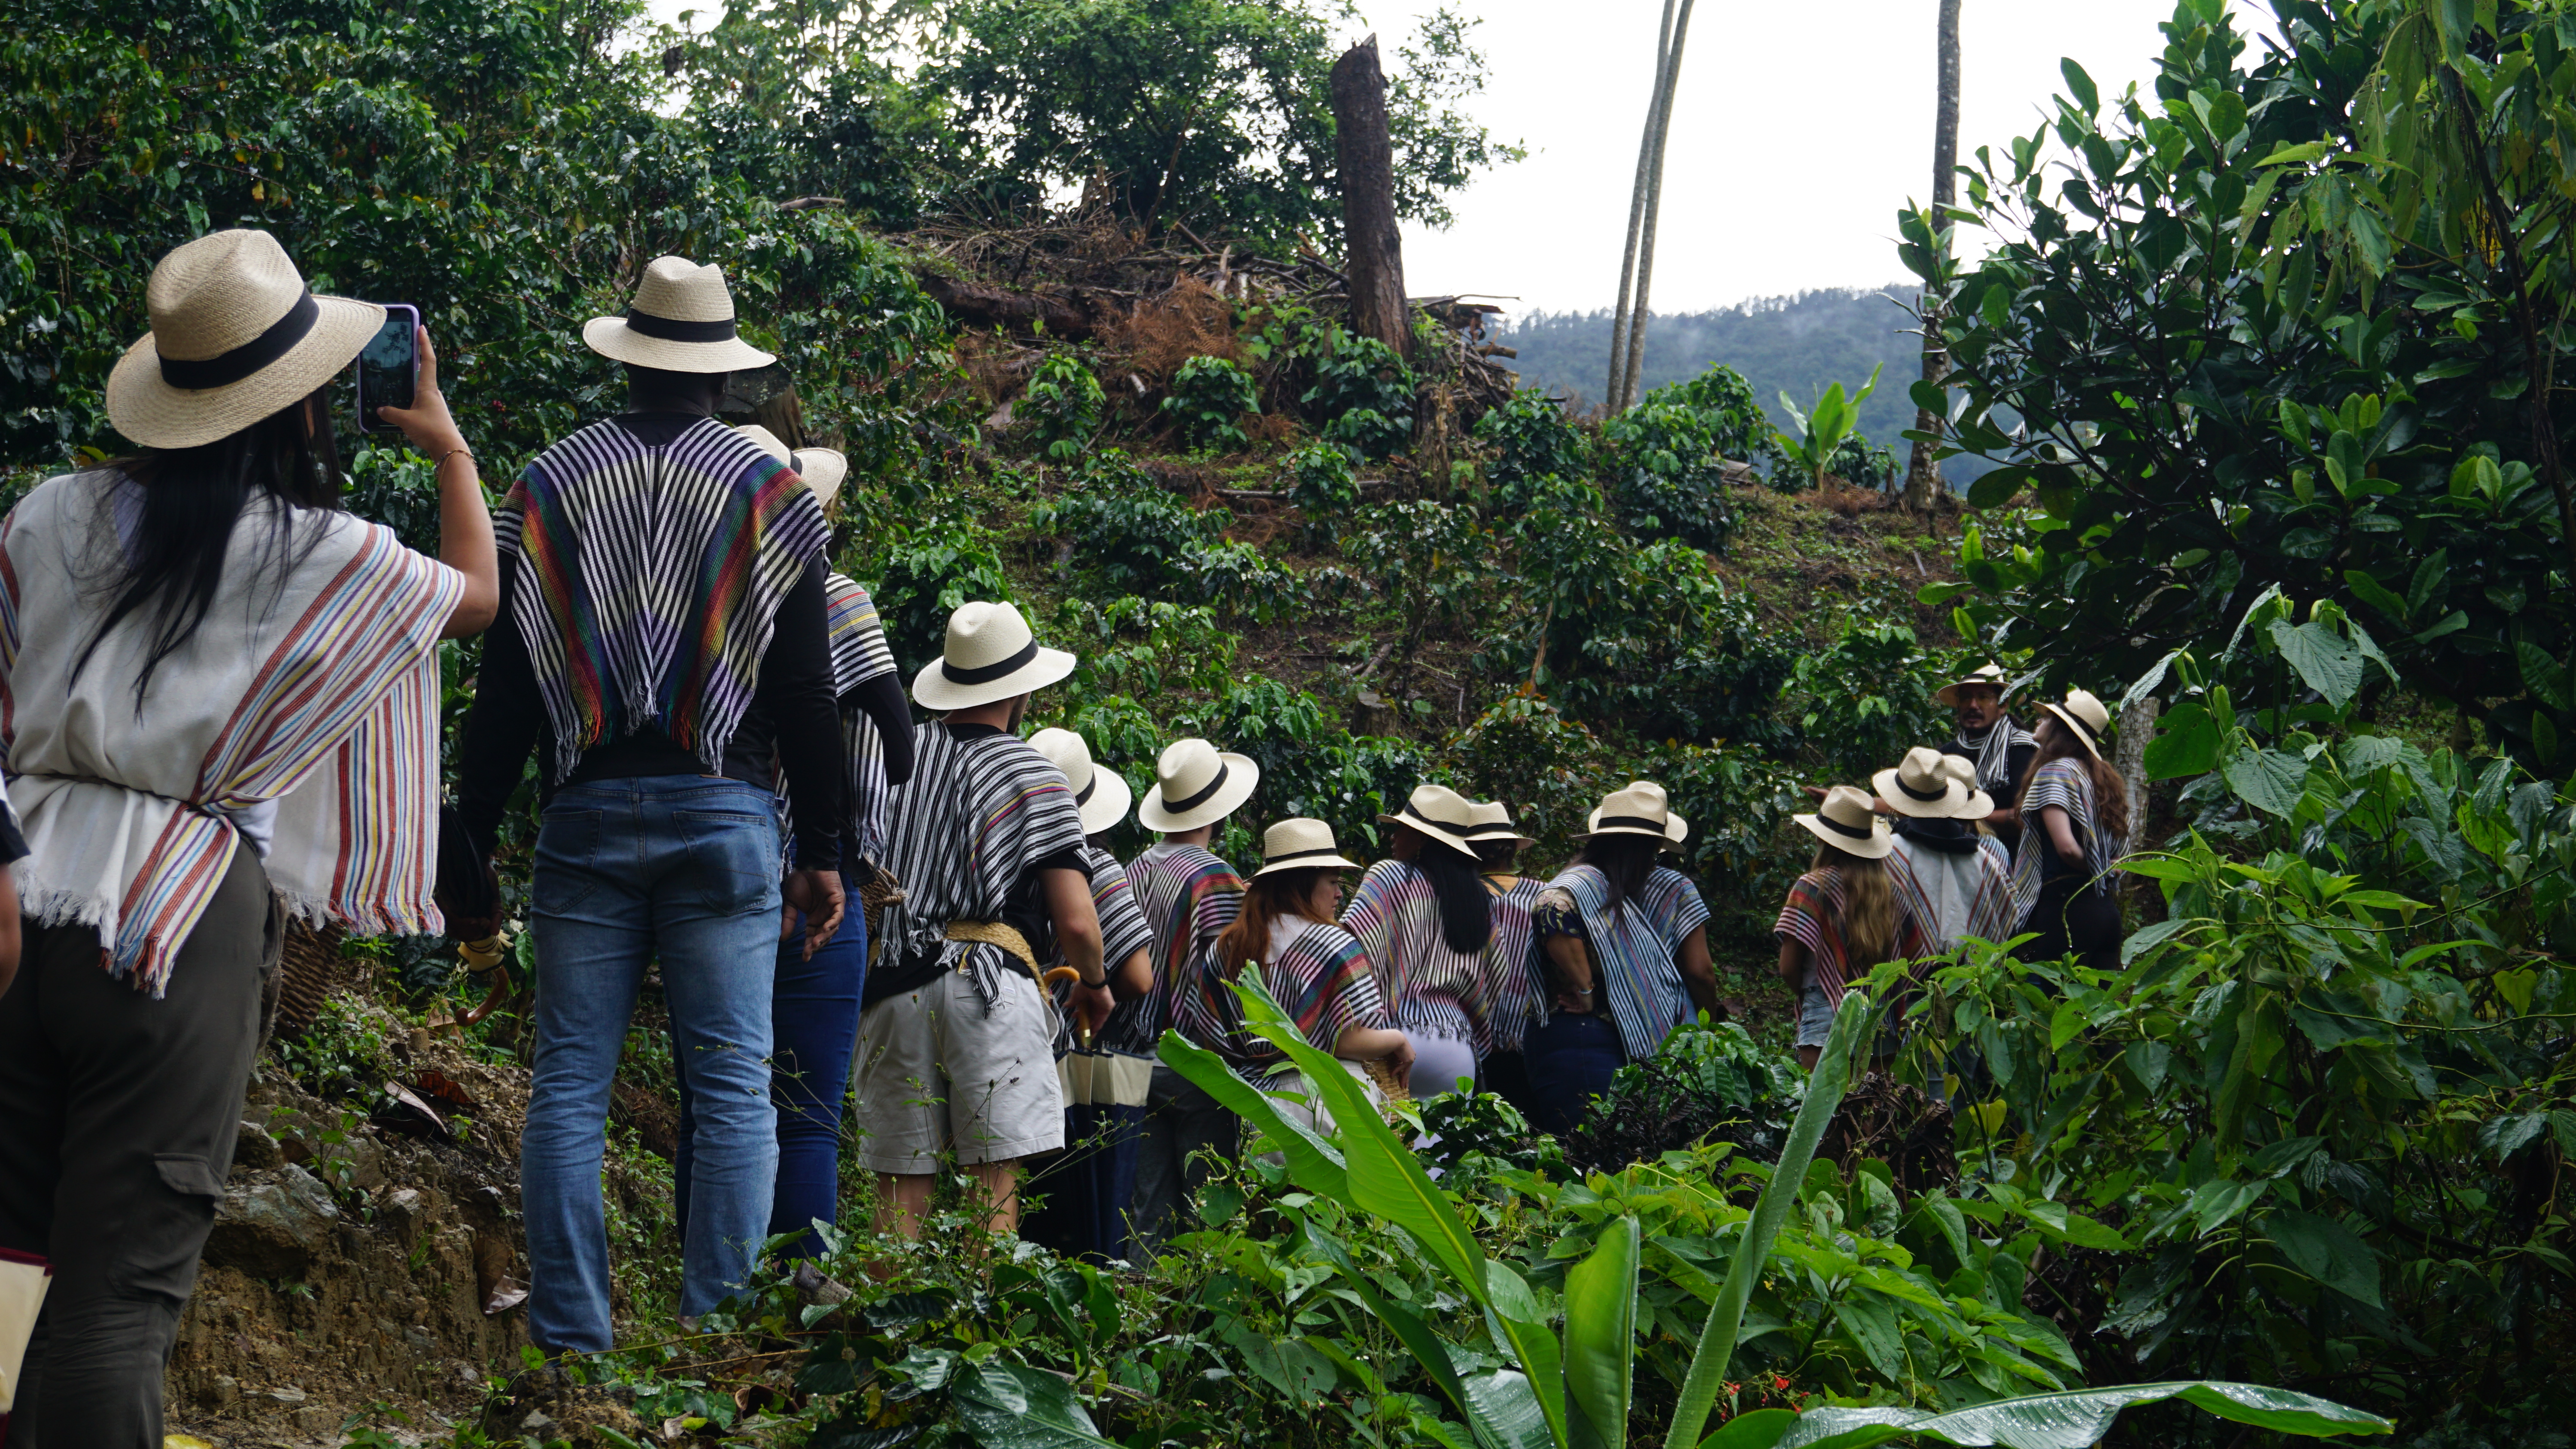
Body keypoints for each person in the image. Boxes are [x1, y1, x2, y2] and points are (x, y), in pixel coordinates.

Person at [0, 229, 498, 1444]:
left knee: (11, 1258)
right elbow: (475, 596)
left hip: (18, 880)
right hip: (175, 916)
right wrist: (448, 445)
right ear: (306, 405)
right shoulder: (321, 554)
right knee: (124, 1286)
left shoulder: (50, 513)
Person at [452, 255, 847, 1355]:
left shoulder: (549, 483)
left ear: (625, 361)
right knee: (732, 1086)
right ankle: (714, 1340)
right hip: (723, 810)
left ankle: (574, 1341)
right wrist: (826, 847)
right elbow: (808, 694)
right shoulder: (770, 489)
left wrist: (472, 829)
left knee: (570, 1080)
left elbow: (513, 687)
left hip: (584, 809)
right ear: (721, 377)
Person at [668, 428, 918, 1278]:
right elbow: (898, 735)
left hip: (704, 866)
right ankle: (796, 1305)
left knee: (709, 1106)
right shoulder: (836, 596)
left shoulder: (680, 602)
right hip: (815, 877)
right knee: (806, 1111)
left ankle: (705, 1304)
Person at [855, 602, 1105, 1238]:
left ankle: (884, 1329)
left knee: (899, 1193)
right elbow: (1076, 923)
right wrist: (1096, 987)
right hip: (986, 989)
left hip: (892, 986)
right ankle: (975, 1333)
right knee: (991, 1194)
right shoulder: (1034, 774)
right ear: (1021, 689)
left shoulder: (894, 763)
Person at [1105, 737, 1258, 1256]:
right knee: (1208, 1209)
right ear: (1219, 812)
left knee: (1147, 1213)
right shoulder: (1212, 877)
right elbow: (1224, 985)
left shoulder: (1135, 868)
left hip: (1132, 1060)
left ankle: (1142, 1324)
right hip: (1191, 1060)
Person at [1017, 727, 1159, 1260]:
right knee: (1083, 1221)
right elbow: (1140, 977)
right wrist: (1090, 990)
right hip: (1072, 1061)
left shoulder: (1004, 857)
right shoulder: (1096, 867)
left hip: (1001, 1040)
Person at [1177, 818, 1411, 1136]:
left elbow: (1212, 1040)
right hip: (1329, 1104)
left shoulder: (1226, 948)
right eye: (1332, 882)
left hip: (1255, 1109)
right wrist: (1399, 1040)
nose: (1339, 895)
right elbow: (1348, 1040)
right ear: (1302, 884)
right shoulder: (1334, 943)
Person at [1523, 784, 1703, 1134]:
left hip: (1596, 1043)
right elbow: (1550, 907)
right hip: (1580, 1041)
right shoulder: (1585, 883)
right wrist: (1586, 989)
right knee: (1590, 1158)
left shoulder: (1612, 884)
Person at [1340, 785, 1495, 1100]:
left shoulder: (1390, 876)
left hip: (1395, 1041)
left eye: (1400, 829)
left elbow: (1348, 950)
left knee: (1386, 1145)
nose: (1392, 838)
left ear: (1424, 838)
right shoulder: (1478, 897)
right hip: (1456, 1047)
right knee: (1444, 1147)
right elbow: (1496, 975)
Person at [1776, 785, 1932, 1072]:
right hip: (1880, 1023)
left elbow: (1788, 968)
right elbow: (1912, 964)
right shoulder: (1891, 893)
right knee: (1873, 1112)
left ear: (1824, 839)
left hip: (1824, 1021)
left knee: (1825, 1115)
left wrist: (1819, 990)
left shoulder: (1812, 888)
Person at [2010, 689, 2129, 972]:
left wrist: (2093, 868)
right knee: (2098, 1011)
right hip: (2105, 913)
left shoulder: (2056, 772)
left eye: (2050, 717)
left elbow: (2066, 847)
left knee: (2057, 1010)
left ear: (2061, 728)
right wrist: (2104, 871)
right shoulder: (2102, 777)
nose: (2040, 721)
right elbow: (2121, 861)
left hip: (2067, 910)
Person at [1873, 747, 2014, 952]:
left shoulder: (1887, 853)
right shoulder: (1983, 858)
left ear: (1897, 802)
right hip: (1975, 978)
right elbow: (2007, 915)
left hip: (1904, 976)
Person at [1464, 800, 1544, 1115]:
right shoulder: (1546, 895)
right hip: (1529, 1037)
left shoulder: (1461, 897)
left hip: (1470, 1035)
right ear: (1512, 851)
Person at [1937, 663, 2038, 850]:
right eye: (1966, 698)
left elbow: (2027, 817)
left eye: (1984, 698)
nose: (1973, 705)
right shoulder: (1947, 754)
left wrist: (1966, 816)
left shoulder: (2021, 749)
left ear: (2003, 705)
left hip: (2009, 861)